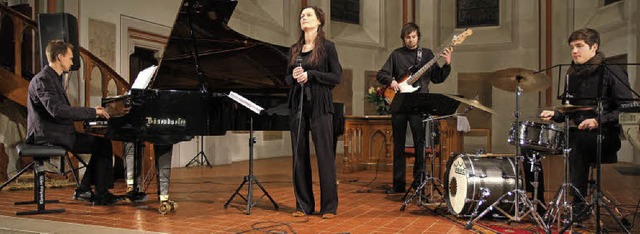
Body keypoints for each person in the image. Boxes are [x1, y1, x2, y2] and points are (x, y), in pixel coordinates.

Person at [540, 28, 631, 221]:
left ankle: (579, 204)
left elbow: (628, 108)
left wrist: (598, 120)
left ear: (594, 47)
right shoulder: (571, 74)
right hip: (577, 134)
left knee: (577, 142)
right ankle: (537, 202)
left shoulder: (611, 71)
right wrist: (556, 114)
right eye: (572, 47)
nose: (574, 51)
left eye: (579, 46)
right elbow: (570, 110)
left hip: (605, 136)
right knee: (531, 144)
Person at [26, 40, 118, 205]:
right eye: (70, 58)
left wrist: (91, 112)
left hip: (55, 132)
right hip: (47, 136)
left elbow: (60, 110)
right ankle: (99, 194)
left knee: (101, 143)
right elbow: (58, 111)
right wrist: (92, 112)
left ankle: (85, 190)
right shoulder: (44, 80)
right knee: (102, 144)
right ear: (60, 57)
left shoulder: (52, 78)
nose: (72, 62)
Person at [376, 23, 453, 194]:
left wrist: (447, 64)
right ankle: (398, 184)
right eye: (407, 37)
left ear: (418, 36)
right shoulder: (396, 54)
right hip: (399, 103)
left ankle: (419, 182)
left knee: (420, 143)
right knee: (399, 144)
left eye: (413, 37)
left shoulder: (426, 55)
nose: (410, 40)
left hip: (419, 104)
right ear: (403, 38)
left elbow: (437, 78)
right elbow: (381, 74)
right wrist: (392, 81)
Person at [285, 6, 342, 219]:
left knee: (325, 156)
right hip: (298, 104)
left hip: (320, 104)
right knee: (299, 156)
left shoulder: (328, 47)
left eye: (308, 15)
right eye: (301, 16)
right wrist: (294, 75)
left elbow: (336, 77)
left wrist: (312, 74)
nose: (304, 18)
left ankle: (329, 207)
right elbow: (286, 79)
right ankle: (303, 205)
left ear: (319, 21)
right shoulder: (294, 49)